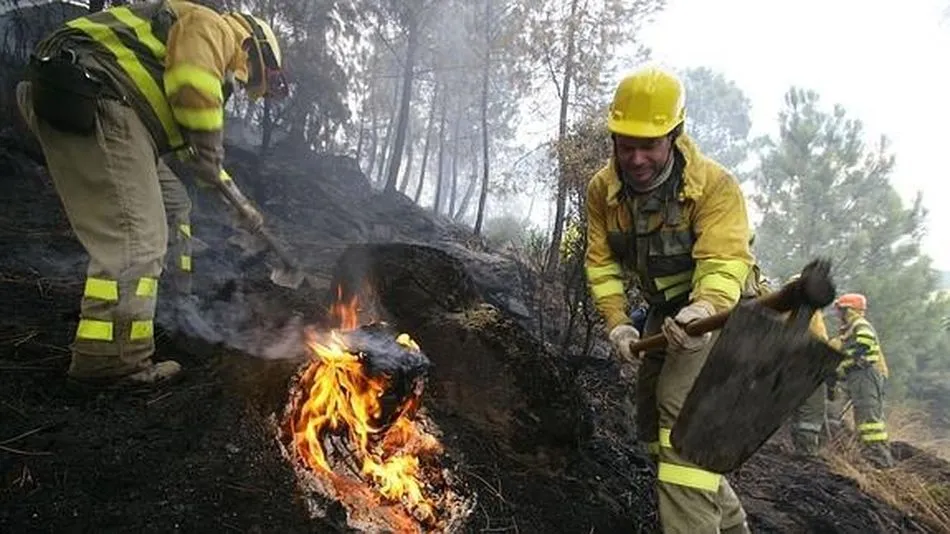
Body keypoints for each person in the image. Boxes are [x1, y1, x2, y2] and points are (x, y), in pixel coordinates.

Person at [16, 1, 286, 389]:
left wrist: (235, 200)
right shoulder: (215, 27)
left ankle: (174, 305)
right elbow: (194, 84)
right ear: (254, 45)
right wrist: (212, 158)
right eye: (261, 72)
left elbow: (195, 152)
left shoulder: (201, 43)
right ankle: (111, 362)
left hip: (117, 109)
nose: (251, 82)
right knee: (137, 239)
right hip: (94, 94)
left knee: (176, 203)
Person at [585, 65, 754, 534]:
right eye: (625, 144)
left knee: (681, 431)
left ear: (675, 136)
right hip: (664, 314)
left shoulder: (714, 186)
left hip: (717, 312)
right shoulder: (604, 190)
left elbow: (724, 262)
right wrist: (618, 322)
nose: (635, 158)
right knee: (654, 433)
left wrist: (703, 309)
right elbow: (601, 264)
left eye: (649, 145)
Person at [829, 293, 895, 468]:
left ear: (849, 310)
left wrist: (848, 361)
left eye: (840, 310)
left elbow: (865, 342)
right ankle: (857, 454)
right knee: (833, 410)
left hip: (867, 375)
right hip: (854, 376)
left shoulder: (859, 324)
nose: (837, 314)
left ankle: (880, 460)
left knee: (869, 420)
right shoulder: (847, 330)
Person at [783, 274, 831, 456]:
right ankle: (807, 450)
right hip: (810, 360)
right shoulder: (807, 309)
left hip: (794, 361)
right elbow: (818, 338)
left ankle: (802, 447)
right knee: (812, 407)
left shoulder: (785, 308)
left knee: (801, 408)